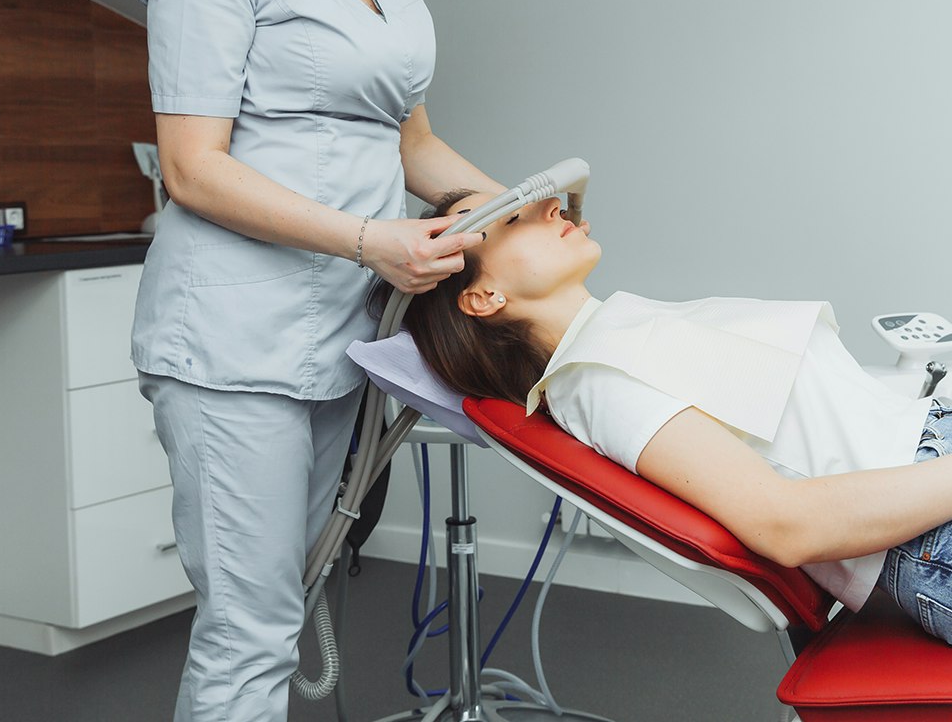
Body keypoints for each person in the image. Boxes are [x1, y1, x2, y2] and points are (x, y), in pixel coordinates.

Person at [132, 0, 503, 718]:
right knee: (247, 627)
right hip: (231, 338)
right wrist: (368, 239)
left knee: (282, 605)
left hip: (339, 333)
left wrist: (507, 205)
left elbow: (408, 143)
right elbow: (192, 168)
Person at [401, 190, 952, 644]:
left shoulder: (619, 335)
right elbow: (786, 524)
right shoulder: (595, 381)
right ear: (483, 296)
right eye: (515, 217)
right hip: (928, 533)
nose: (553, 208)